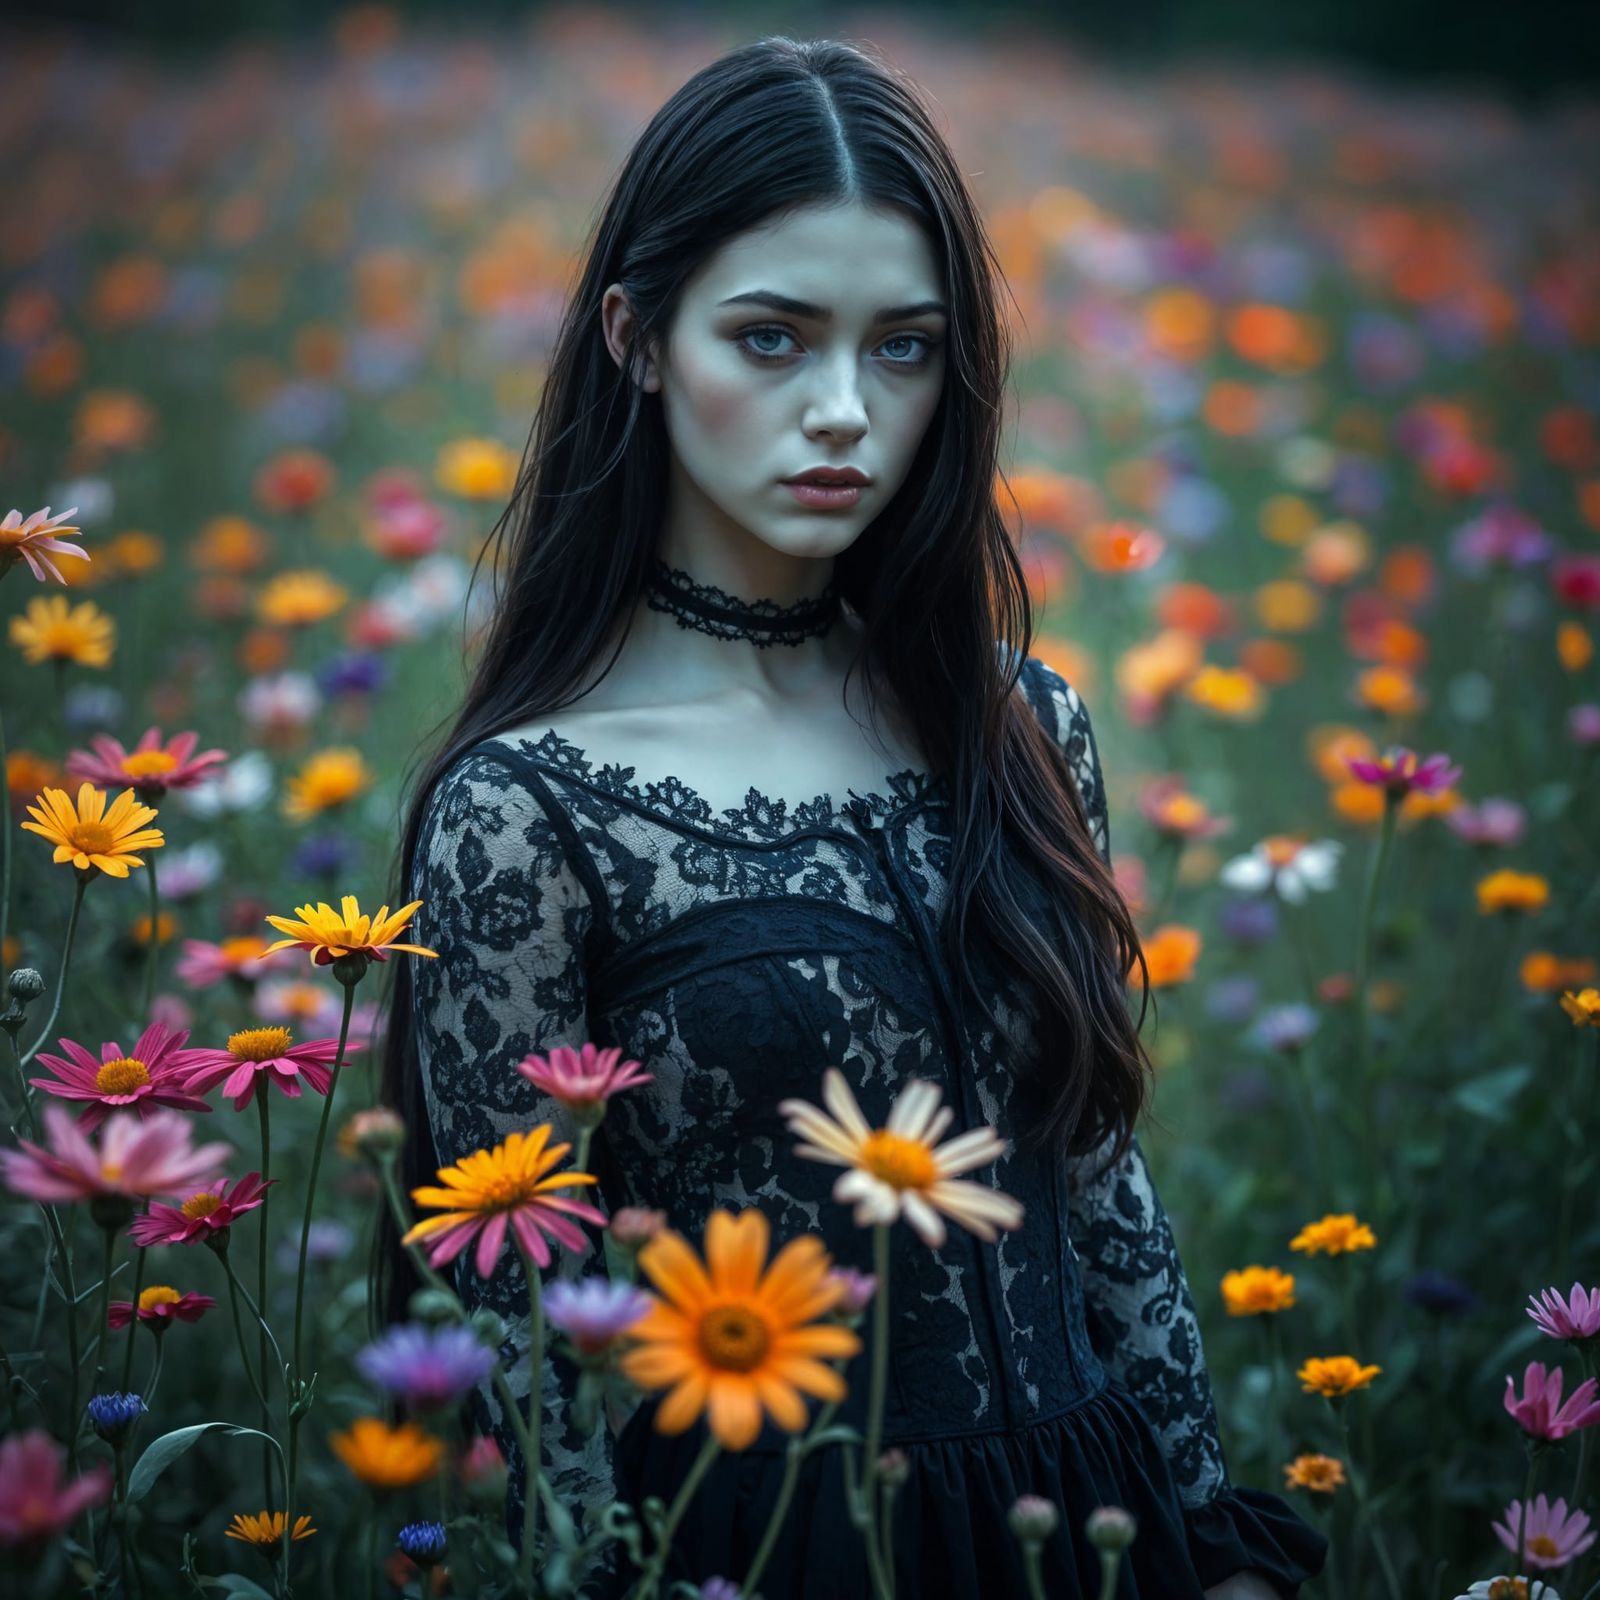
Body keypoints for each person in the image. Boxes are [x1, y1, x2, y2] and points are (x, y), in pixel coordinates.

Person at [377, 34, 1329, 1600]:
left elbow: (1098, 1187)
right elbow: (522, 1331)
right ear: (634, 336)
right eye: (771, 340)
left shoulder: (1019, 726)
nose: (844, 412)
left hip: (1091, 1530)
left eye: (903, 348)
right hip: (771, 1554)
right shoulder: (529, 812)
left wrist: (1208, 1537)